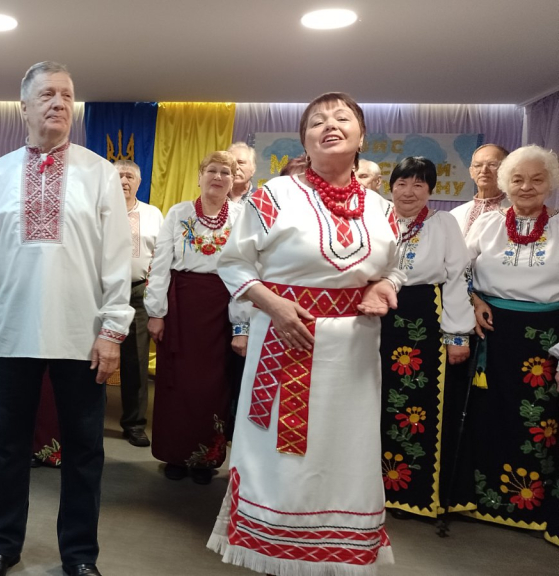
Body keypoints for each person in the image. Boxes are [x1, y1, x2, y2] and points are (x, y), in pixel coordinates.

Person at [208, 92, 402, 575]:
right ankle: (275, 548)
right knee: (284, 455)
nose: (329, 125)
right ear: (305, 141)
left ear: (361, 136)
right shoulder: (274, 196)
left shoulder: (382, 209)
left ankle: (338, 550)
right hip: (286, 338)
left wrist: (385, 285)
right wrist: (273, 305)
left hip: (354, 351)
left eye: (342, 118)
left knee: (346, 448)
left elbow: (396, 268)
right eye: (317, 121)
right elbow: (233, 263)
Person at [0, 61, 133, 576]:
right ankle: (1, 544)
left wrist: (112, 331)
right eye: (47, 94)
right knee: (6, 447)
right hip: (11, 330)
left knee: (84, 450)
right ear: (24, 106)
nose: (59, 103)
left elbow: (117, 258)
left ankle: (80, 555)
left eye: (66, 95)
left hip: (82, 335)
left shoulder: (99, 173)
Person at [462, 145, 559, 547]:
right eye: (517, 179)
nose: (526, 187)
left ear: (550, 184)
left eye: (537, 179)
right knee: (487, 416)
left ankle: (531, 508)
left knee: (538, 424)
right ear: (506, 183)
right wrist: (473, 300)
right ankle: (483, 501)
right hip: (491, 333)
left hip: (544, 343)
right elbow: (457, 270)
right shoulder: (487, 224)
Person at [379, 157, 474, 519]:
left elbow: (456, 277)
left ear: (430, 190)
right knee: (373, 399)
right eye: (402, 183)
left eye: (419, 184)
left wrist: (457, 334)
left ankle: (409, 493)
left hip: (423, 321)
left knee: (413, 406)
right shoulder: (376, 218)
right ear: (391, 187)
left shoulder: (443, 223)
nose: (409, 192)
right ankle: (368, 487)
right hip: (376, 318)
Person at [145, 151, 247, 484]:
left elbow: (246, 270)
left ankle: (206, 458)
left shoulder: (242, 216)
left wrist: (241, 323)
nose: (218, 177)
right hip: (182, 307)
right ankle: (175, 454)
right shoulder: (179, 213)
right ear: (200, 175)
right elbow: (161, 263)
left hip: (221, 310)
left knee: (213, 385)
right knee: (176, 381)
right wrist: (156, 313)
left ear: (233, 180)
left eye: (225, 172)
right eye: (212, 170)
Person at [115, 159, 163, 448]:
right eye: (118, 175)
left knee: (136, 359)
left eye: (129, 176)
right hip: (101, 293)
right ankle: (86, 419)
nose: (124, 181)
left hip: (138, 292)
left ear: (139, 182)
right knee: (92, 356)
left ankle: (134, 423)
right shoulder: (99, 211)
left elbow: (162, 254)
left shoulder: (153, 214)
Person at [450, 144, 510, 236]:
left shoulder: (516, 211)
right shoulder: (456, 214)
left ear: (507, 170)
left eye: (492, 164)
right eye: (478, 165)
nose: (484, 170)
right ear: (471, 172)